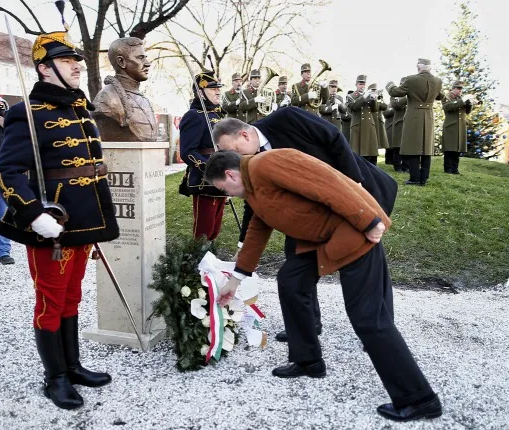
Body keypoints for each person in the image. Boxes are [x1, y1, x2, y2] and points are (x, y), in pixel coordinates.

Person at [205, 149, 441, 422]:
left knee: (368, 318)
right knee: (291, 281)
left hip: (355, 234)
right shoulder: (253, 188)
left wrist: (370, 219)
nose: (228, 195)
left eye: (224, 188)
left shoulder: (267, 163)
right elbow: (258, 229)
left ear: (230, 174)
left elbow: (327, 181)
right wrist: (236, 279)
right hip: (319, 241)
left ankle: (419, 399)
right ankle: (308, 361)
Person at [0, 14, 119, 410]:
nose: (78, 66)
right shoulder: (26, 113)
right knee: (50, 300)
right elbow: (6, 170)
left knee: (72, 297)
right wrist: (33, 214)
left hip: (82, 221)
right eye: (69, 62)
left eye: (77, 62)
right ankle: (56, 378)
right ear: (45, 68)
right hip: (51, 224)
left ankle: (73, 364)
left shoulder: (81, 109)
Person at [212, 107, 397, 344]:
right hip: (308, 215)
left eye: (235, 151)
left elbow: (333, 137)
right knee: (295, 266)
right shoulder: (252, 163)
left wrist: (356, 182)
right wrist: (242, 244)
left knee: (369, 259)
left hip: (353, 194)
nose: (235, 159)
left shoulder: (286, 118)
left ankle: (381, 330)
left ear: (244, 136)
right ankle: (306, 325)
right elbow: (254, 201)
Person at [178, 70, 226, 241]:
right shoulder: (194, 116)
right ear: (200, 92)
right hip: (205, 180)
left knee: (214, 230)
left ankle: (208, 263)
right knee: (203, 232)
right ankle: (197, 264)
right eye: (213, 88)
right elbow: (187, 151)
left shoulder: (217, 114)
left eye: (218, 87)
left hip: (222, 177)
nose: (218, 91)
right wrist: (210, 168)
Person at [387, 58, 444, 185]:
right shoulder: (438, 81)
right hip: (428, 116)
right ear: (429, 67)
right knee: (426, 147)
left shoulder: (411, 79)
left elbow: (395, 92)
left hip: (414, 116)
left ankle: (414, 178)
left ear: (419, 66)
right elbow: (441, 96)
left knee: (413, 146)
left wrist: (390, 84)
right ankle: (424, 177)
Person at [92, 37, 157, 141]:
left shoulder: (143, 99)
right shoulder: (107, 98)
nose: (147, 63)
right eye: (140, 58)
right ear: (121, 61)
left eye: (145, 57)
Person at [441, 81, 475, 174]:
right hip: (450, 126)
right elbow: (448, 107)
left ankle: (455, 169)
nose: (460, 90)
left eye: (461, 89)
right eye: (458, 88)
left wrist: (469, 104)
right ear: (453, 88)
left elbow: (467, 112)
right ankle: (448, 169)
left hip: (461, 127)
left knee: (457, 149)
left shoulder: (461, 98)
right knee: (449, 149)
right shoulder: (446, 96)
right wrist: (462, 101)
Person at [347, 75, 380, 164]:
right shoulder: (351, 96)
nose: (362, 86)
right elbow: (353, 107)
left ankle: (373, 168)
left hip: (369, 125)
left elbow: (375, 109)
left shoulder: (369, 95)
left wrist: (374, 100)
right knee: (357, 151)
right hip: (358, 125)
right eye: (360, 84)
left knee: (371, 150)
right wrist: (364, 97)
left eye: (363, 84)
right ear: (356, 85)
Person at [0, 96, 14, 265]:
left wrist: (3, 116)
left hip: (2, 171)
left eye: (0, 106)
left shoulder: (7, 124)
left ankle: (2, 251)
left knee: (2, 212)